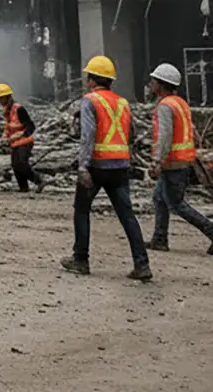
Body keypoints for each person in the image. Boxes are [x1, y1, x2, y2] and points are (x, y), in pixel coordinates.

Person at [62, 55, 152, 280]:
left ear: (93, 80)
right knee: (127, 215)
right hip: (120, 166)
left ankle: (80, 259)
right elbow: (131, 134)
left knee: (81, 209)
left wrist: (83, 167)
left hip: (96, 166)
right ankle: (142, 264)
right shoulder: (122, 103)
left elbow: (88, 136)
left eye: (88, 78)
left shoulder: (90, 101)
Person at [145, 63, 213, 254]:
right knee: (159, 198)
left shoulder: (165, 106)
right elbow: (192, 131)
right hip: (182, 160)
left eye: (154, 81)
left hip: (173, 162)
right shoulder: (180, 103)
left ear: (161, 84)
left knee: (177, 204)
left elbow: (165, 136)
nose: (151, 84)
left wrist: (157, 161)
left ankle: (211, 231)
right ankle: (159, 239)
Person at [0, 83, 43, 193]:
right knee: (15, 165)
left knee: (21, 163)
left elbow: (31, 126)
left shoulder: (19, 109)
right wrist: (5, 135)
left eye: (0, 98)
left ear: (7, 97)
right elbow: (9, 125)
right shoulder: (8, 110)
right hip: (15, 142)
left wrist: (20, 135)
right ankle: (23, 187)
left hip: (25, 141)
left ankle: (39, 181)